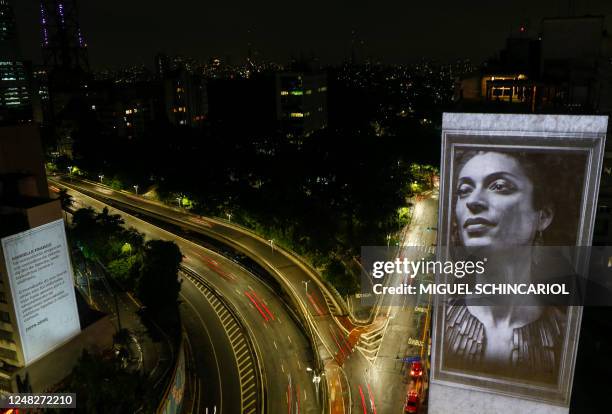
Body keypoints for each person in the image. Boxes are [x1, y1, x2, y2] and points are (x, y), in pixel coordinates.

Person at [443, 149, 585, 381]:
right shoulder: (440, 321)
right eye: (463, 191)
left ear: (544, 215)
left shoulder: (568, 337)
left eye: (499, 186)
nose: (473, 202)